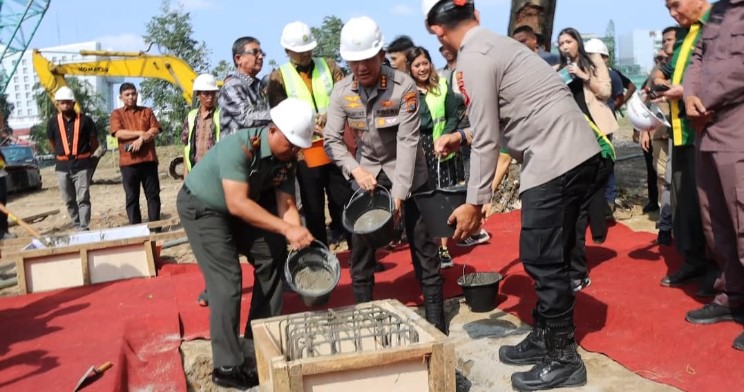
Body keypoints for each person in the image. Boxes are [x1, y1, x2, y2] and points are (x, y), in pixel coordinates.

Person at [423, 1, 601, 389]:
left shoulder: (472, 59)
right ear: (476, 15)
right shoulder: (499, 45)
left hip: (553, 158)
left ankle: (563, 356)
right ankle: (545, 336)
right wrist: (462, 135)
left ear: (437, 31)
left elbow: (488, 137)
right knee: (552, 252)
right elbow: (511, 110)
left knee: (541, 257)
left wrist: (474, 203)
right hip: (577, 152)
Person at [177, 97, 315, 389]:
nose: (294, 151)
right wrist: (285, 229)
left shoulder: (287, 160)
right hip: (204, 207)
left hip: (239, 208)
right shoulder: (238, 147)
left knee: (273, 251)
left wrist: (297, 235)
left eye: (298, 147)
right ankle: (226, 367)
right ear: (273, 130)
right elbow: (237, 204)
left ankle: (258, 340)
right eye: (290, 144)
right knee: (227, 280)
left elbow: (287, 203)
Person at [324, 16, 448, 334]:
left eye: (367, 59)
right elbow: (331, 140)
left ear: (381, 55)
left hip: (410, 174)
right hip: (367, 174)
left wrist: (400, 195)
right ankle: (365, 313)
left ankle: (436, 317)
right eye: (354, 61)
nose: (361, 67)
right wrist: (355, 169)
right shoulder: (341, 93)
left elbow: (408, 142)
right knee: (361, 246)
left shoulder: (403, 87)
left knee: (423, 245)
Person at [682, 0, 744, 350]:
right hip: (706, 130)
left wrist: (703, 99)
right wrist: (690, 95)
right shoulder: (717, 11)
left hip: (737, 128)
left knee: (742, 221)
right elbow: (697, 59)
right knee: (715, 220)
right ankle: (730, 296)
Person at [265, 21, 353, 248]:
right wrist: (307, 125)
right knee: (313, 207)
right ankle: (321, 254)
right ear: (287, 51)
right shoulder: (278, 78)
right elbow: (279, 112)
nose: (305, 55)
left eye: (308, 50)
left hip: (335, 144)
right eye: (299, 51)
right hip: (305, 152)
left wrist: (330, 116)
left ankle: (359, 254)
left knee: (344, 200)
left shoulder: (329, 65)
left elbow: (346, 93)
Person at [651, 0, 715, 290]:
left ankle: (721, 272)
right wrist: (662, 84)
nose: (672, 14)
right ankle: (693, 261)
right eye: (667, 9)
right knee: (685, 204)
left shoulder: (722, 24)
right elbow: (665, 70)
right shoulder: (685, 35)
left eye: (675, 5)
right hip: (681, 132)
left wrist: (687, 90)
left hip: (712, 132)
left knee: (714, 206)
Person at [407, 46, 465, 268]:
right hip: (419, 151)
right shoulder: (407, 92)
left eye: (425, 63)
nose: (422, 68)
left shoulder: (441, 84)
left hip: (443, 149)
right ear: (410, 69)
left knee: (443, 197)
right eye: (416, 65)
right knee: (424, 199)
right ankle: (426, 247)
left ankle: (442, 247)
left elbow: (454, 113)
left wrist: (449, 136)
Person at [558, 27, 619, 218]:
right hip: (575, 126)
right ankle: (585, 209)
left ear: (578, 42)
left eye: (569, 42)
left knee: (603, 167)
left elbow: (606, 92)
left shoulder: (594, 61)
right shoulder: (561, 71)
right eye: (561, 44)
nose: (565, 47)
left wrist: (583, 76)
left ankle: (605, 207)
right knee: (580, 169)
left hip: (597, 123)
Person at [641, 26, 678, 246]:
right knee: (664, 177)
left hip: (683, 131)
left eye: (670, 39)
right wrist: (644, 129)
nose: (665, 44)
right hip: (659, 131)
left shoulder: (690, 62)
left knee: (677, 179)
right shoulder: (659, 69)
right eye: (663, 40)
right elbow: (645, 99)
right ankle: (665, 225)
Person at [48, 86, 99, 231]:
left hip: (82, 165)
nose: (65, 105)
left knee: (83, 197)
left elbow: (94, 143)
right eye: (62, 102)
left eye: (68, 102)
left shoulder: (86, 121)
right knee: (68, 199)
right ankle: (76, 223)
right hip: (62, 167)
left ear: (73, 103)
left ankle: (83, 227)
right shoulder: (52, 123)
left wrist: (84, 154)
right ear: (57, 104)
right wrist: (62, 155)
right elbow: (52, 143)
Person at [110, 83, 161, 225]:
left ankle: (156, 228)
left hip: (148, 160)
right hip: (128, 163)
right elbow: (119, 133)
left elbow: (155, 129)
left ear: (137, 94)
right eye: (127, 95)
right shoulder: (116, 114)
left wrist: (141, 140)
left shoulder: (147, 111)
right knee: (132, 197)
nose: (131, 97)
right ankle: (136, 229)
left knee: (153, 195)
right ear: (121, 97)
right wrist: (140, 133)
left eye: (133, 94)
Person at [218, 36, 271, 135]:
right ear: (238, 59)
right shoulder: (232, 86)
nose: (260, 57)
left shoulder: (258, 86)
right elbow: (245, 117)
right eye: (255, 52)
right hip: (236, 149)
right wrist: (279, 115)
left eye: (262, 53)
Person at [182, 73, 221, 177]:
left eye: (213, 93)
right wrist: (186, 174)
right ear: (198, 95)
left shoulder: (221, 115)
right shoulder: (191, 117)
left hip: (214, 172)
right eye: (206, 93)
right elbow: (186, 147)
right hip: (195, 171)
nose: (210, 97)